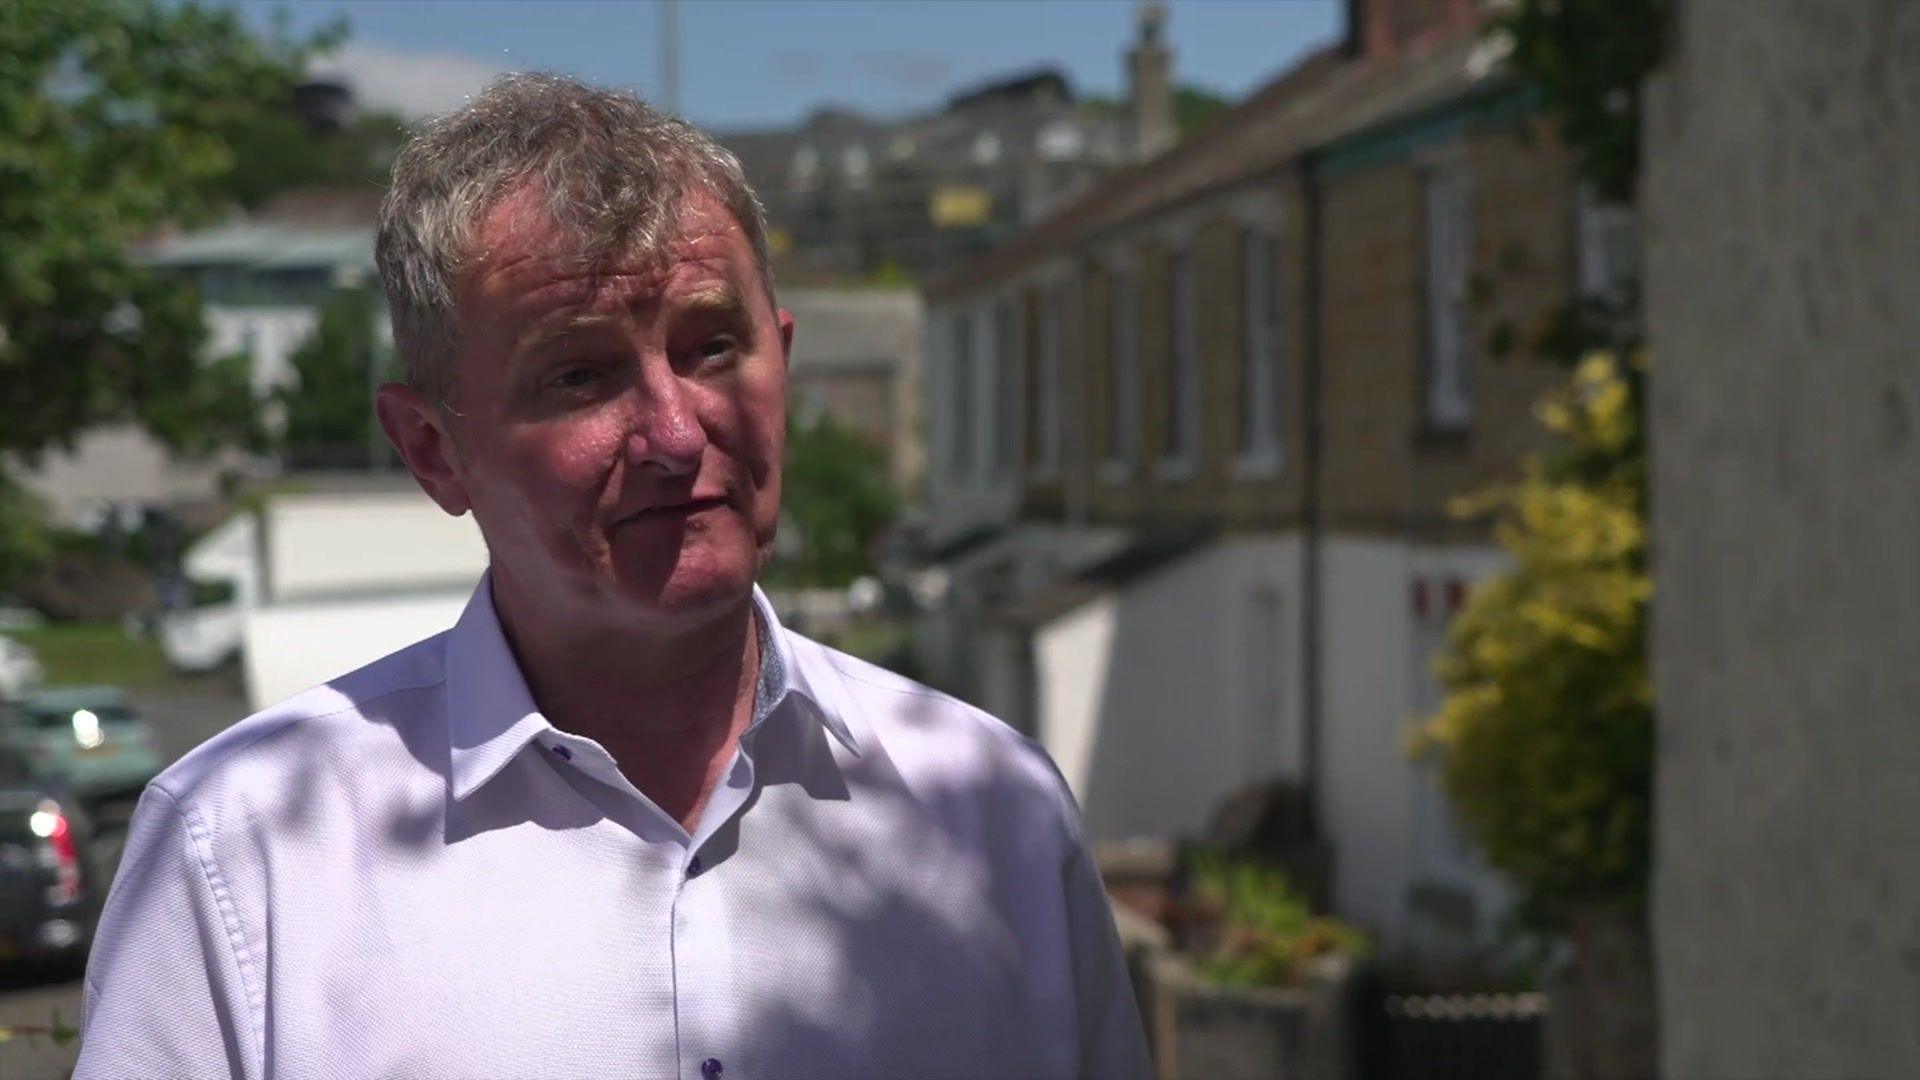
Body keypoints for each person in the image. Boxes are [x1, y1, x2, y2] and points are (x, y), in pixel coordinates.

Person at [75, 73, 1150, 1079]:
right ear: (432, 451)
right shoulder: (248, 852)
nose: (677, 433)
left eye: (713, 346)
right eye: (581, 373)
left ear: (784, 358)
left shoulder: (993, 811)